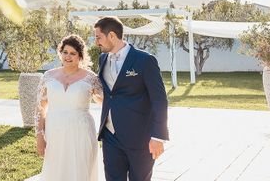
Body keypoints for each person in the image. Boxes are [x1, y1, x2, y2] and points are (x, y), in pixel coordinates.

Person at [94, 16, 169, 181]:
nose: (96, 42)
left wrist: (158, 136)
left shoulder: (145, 60)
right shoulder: (102, 59)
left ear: (112, 36)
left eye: (98, 37)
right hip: (110, 136)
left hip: (140, 138)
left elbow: (159, 100)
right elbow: (110, 93)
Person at [34, 34, 103, 181]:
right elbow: (40, 108)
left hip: (81, 132)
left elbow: (106, 102)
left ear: (80, 56)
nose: (68, 56)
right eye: (65, 52)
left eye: (73, 53)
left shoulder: (91, 78)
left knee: (79, 171)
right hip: (55, 132)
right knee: (56, 171)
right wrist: (40, 136)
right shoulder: (48, 76)